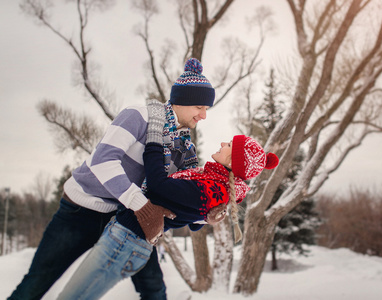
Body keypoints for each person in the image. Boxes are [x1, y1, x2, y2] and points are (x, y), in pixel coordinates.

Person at [8, 58, 215, 300]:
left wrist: (204, 214)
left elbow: (179, 192)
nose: (203, 115)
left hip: (124, 219)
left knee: (153, 288)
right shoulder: (138, 115)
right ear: (182, 100)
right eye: (199, 107)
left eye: (206, 110)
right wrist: (142, 206)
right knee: (38, 281)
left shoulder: (182, 146)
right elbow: (103, 162)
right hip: (80, 211)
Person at [55, 99, 279, 300]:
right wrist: (203, 218)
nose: (222, 144)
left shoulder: (213, 188)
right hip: (127, 237)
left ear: (232, 161)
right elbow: (190, 217)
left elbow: (158, 186)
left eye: (228, 145)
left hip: (126, 240)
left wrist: (154, 137)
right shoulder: (212, 182)